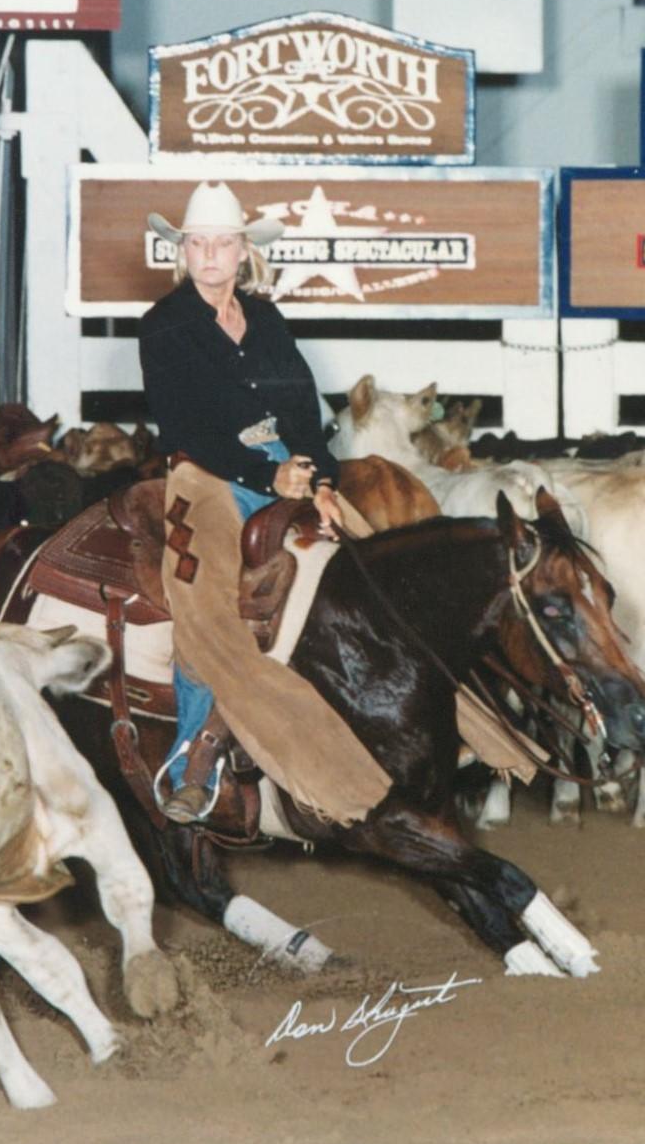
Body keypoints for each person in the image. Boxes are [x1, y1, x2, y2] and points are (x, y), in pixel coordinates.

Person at [139, 181, 392, 826]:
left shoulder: (267, 321)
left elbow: (302, 409)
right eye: (198, 243)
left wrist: (323, 480)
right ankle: (193, 761)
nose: (209, 255)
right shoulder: (164, 326)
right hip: (205, 472)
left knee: (372, 566)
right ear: (183, 252)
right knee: (207, 602)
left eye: (221, 243)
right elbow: (181, 426)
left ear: (243, 252)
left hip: (285, 467)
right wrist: (264, 473)